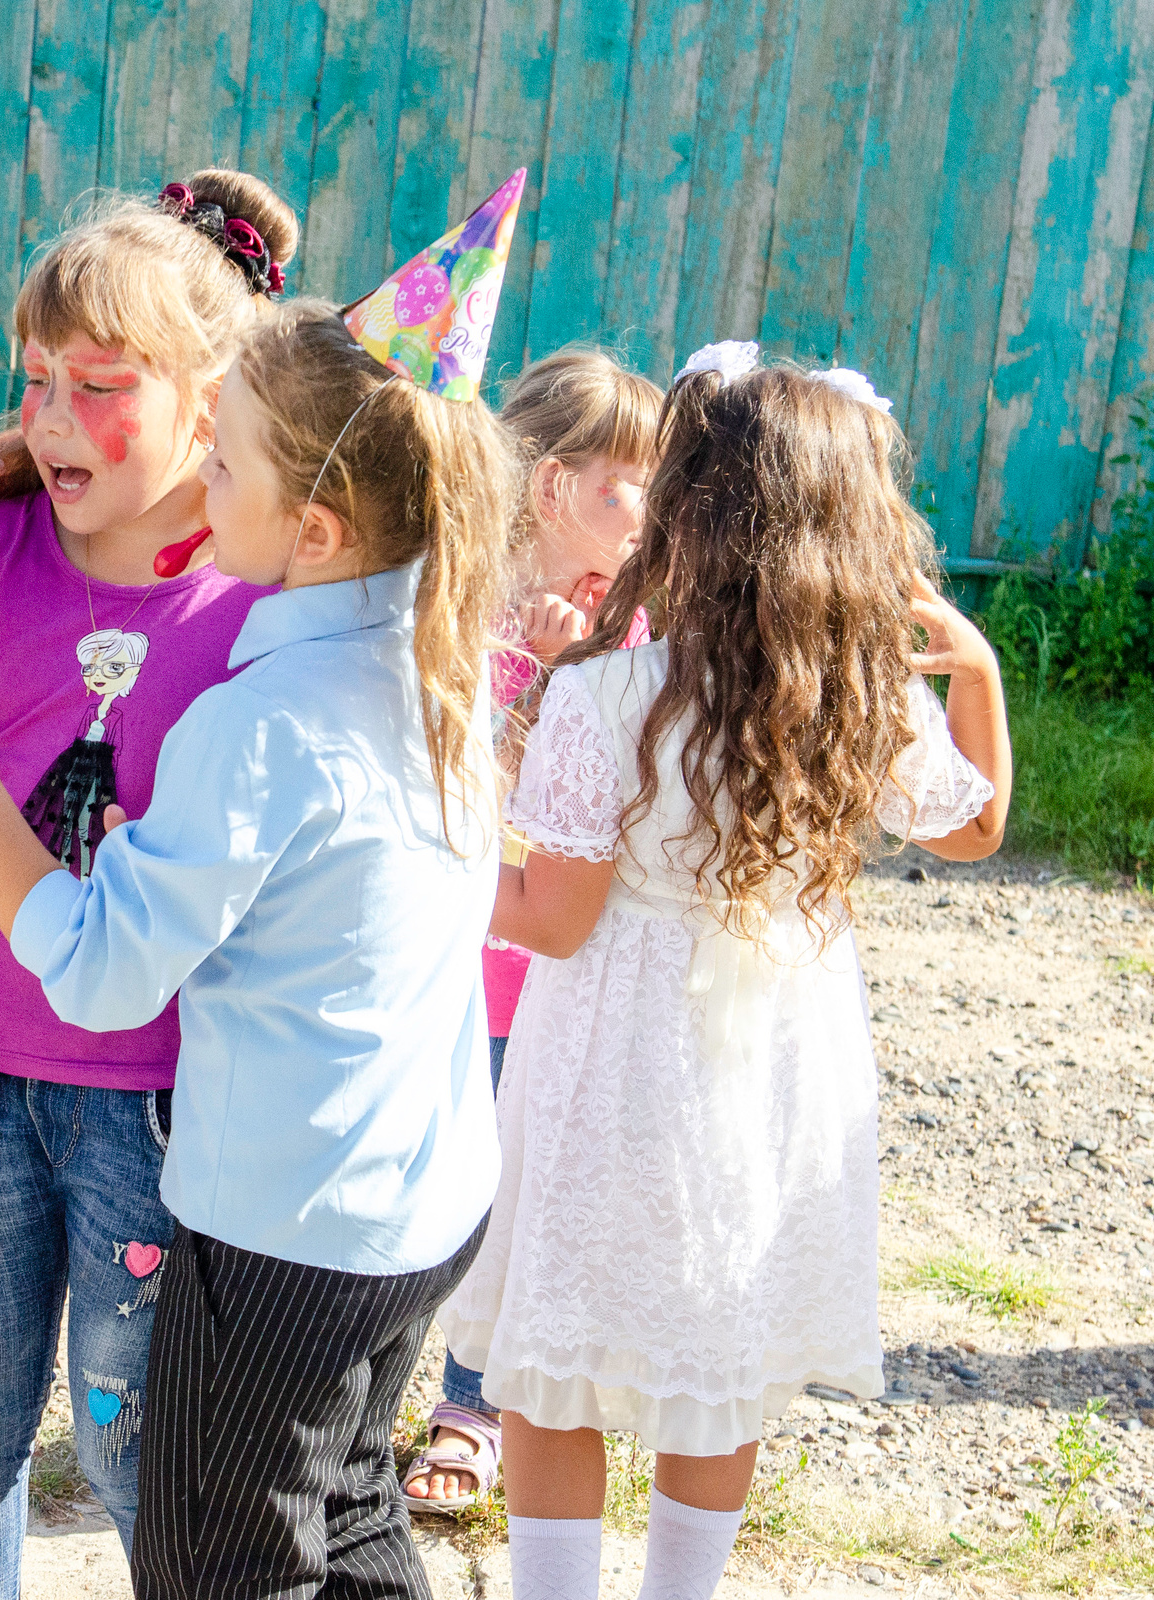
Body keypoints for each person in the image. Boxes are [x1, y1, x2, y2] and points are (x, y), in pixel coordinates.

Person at [0, 291, 515, 1597]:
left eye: (221, 463)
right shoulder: (437, 673)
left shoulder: (266, 716)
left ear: (317, 528)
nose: (200, 486)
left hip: (290, 1227)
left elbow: (102, 973)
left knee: (218, 1561)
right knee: (343, 1517)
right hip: (417, 1203)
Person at [442, 341, 1012, 1600]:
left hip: (609, 1065)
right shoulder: (857, 699)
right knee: (721, 1347)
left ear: (688, 519)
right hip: (770, 1079)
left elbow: (545, 917)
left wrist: (424, 859)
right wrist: (972, 674)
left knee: (557, 1356)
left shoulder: (610, 696)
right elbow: (974, 829)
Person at [0, 169, 296, 1600]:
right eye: (31, 380)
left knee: (131, 1447)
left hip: (167, 1108)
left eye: (94, 385)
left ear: (212, 389)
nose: (46, 421)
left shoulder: (267, 598)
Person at [408, 348, 664, 1517]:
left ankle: (471, 1402)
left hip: (556, 973)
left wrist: (579, 678)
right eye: (631, 486)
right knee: (428, 1186)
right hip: (450, 961)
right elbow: (461, 778)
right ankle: (370, 1392)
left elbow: (612, 801)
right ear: (551, 487)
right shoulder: (457, 607)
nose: (653, 512)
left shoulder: (644, 634)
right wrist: (536, 686)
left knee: (513, 1195)